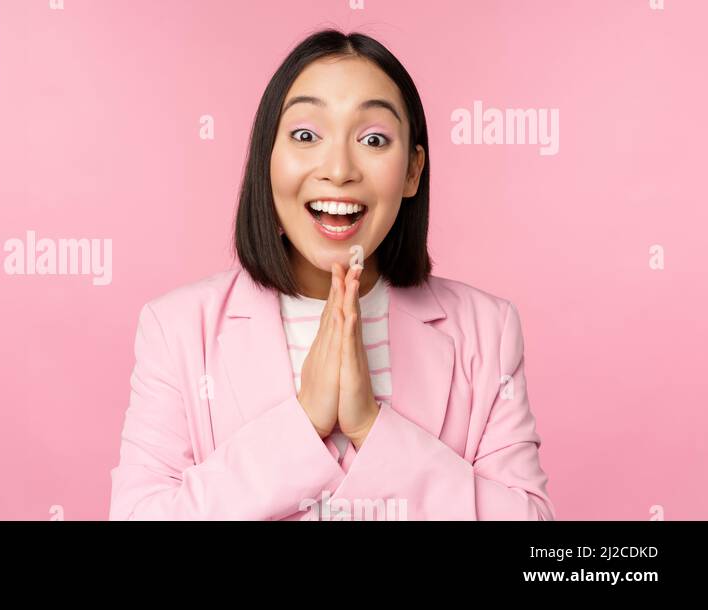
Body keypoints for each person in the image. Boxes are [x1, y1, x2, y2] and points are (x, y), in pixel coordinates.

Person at [108, 29, 555, 521]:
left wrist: (371, 426)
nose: (339, 169)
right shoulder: (175, 329)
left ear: (412, 171)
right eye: (305, 135)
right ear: (268, 159)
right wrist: (302, 424)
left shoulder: (487, 330)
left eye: (373, 139)